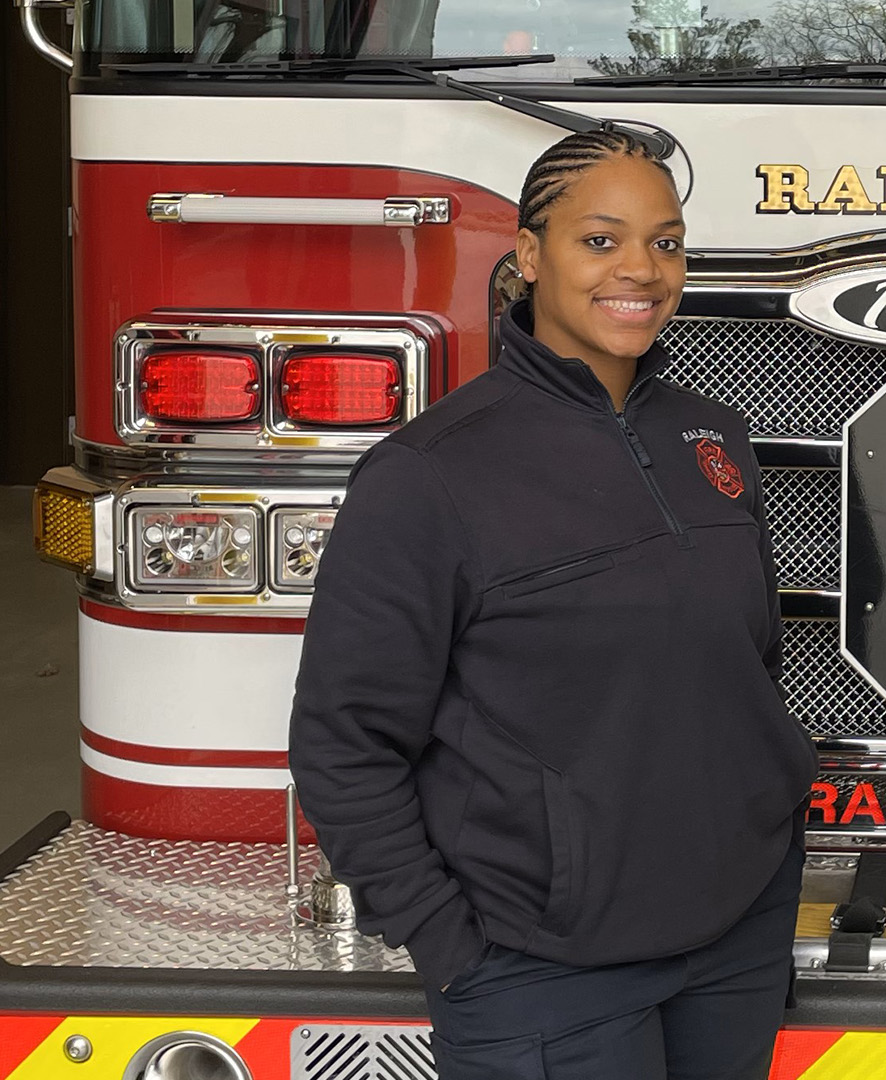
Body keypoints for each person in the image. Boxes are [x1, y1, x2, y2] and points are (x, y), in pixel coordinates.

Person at [288, 127, 817, 1080]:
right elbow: (344, 742)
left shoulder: (713, 439)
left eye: (666, 242)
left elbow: (747, 673)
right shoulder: (427, 475)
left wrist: (770, 858)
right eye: (600, 240)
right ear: (529, 256)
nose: (642, 270)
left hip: (733, 947)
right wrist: (453, 949)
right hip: (542, 973)